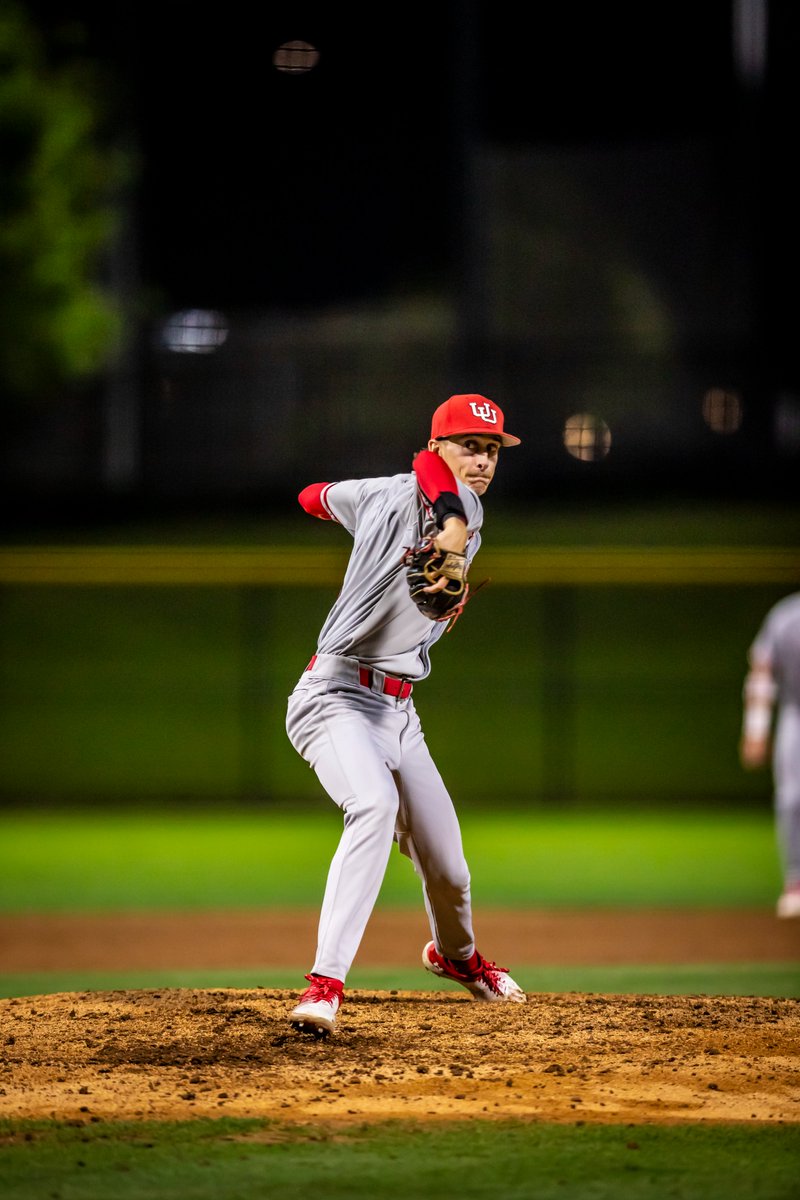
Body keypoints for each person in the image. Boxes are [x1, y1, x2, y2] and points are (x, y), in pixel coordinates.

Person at [285, 393, 527, 1035]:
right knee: (372, 807)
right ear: (438, 447)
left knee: (448, 869)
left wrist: (325, 505)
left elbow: (314, 494)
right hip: (333, 695)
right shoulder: (455, 506)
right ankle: (324, 985)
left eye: (493, 449)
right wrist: (446, 530)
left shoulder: (396, 496)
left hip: (400, 714)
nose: (483, 461)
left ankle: (459, 959)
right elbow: (435, 491)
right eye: (470, 446)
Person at [739, 591, 800, 919]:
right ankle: (796, 883)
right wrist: (756, 729)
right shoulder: (787, 615)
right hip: (797, 718)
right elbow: (762, 672)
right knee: (792, 799)